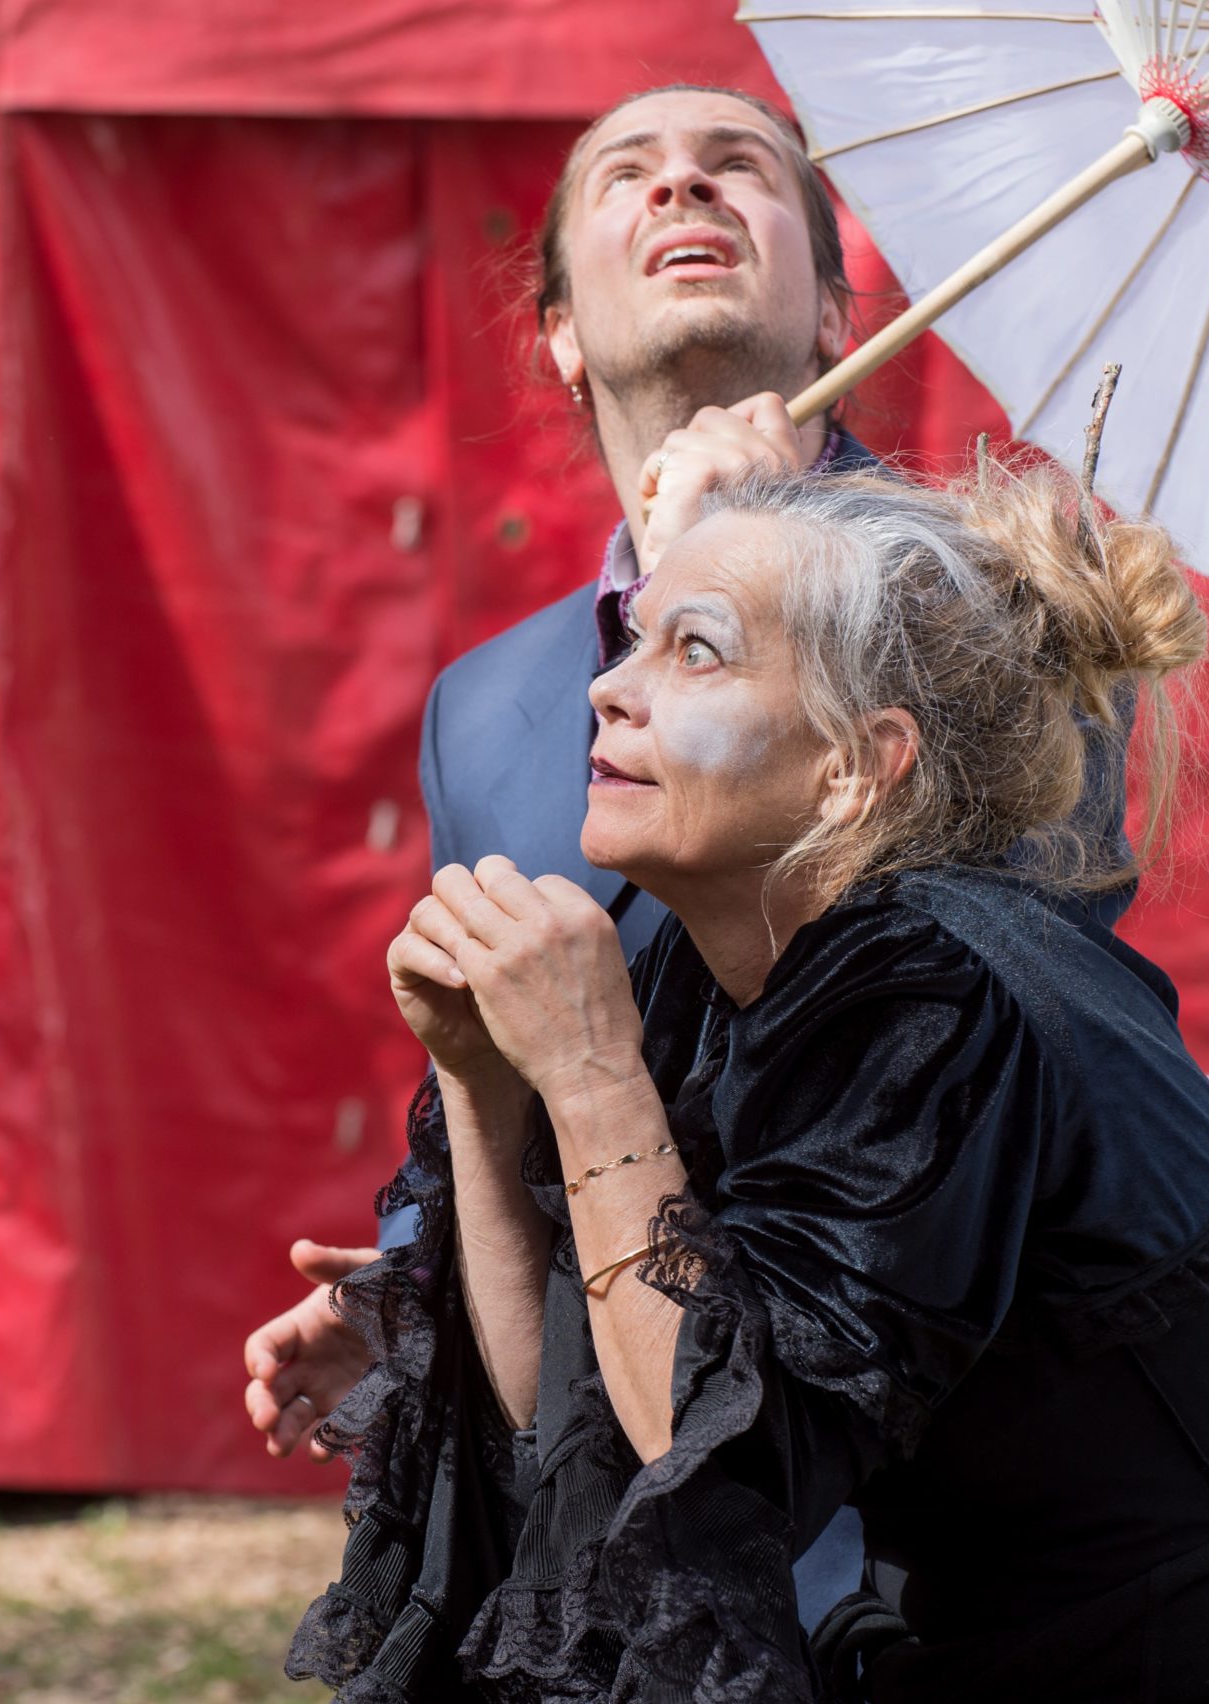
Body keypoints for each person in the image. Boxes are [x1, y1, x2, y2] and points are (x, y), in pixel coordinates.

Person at [287, 463, 1209, 1701]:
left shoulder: (941, 985)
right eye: (633, 641)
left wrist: (588, 1075)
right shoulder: (723, 982)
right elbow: (578, 1421)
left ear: (859, 767)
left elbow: (722, 1458)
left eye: (694, 654)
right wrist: (485, 1088)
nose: (608, 687)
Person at [245, 82, 901, 1469]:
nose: (683, 186)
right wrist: (419, 1290)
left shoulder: (988, 606)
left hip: (900, 1404)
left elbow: (961, 992)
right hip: (624, 1434)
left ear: (836, 313)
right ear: (557, 334)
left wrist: (730, 567)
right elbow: (509, 1060)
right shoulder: (482, 710)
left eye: (741, 168)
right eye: (629, 174)